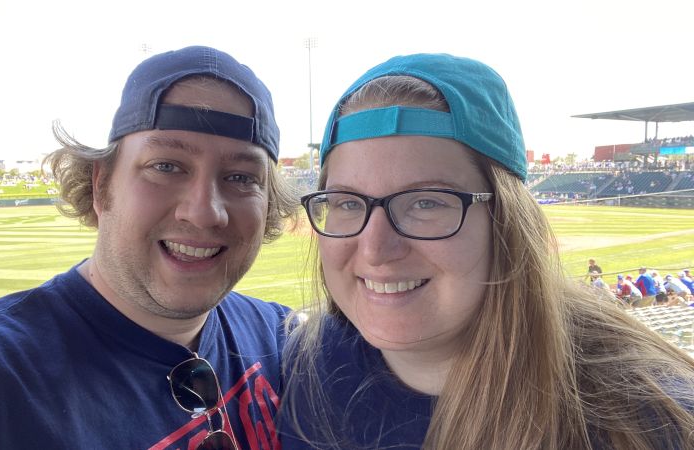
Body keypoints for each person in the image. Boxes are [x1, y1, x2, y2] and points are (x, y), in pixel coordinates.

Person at [279, 53, 694, 449]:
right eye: (348, 203)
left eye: (426, 202)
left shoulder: (650, 423)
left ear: (506, 223)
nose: (375, 249)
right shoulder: (304, 368)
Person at [0, 46, 299, 449]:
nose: (205, 213)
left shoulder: (282, 340)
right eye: (166, 166)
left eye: (242, 177)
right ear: (101, 185)